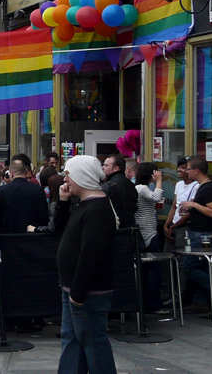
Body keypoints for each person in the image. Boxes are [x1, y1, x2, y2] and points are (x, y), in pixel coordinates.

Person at [54, 155, 117, 374]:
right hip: (74, 287)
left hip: (86, 291)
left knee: (93, 343)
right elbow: (59, 231)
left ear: (81, 176)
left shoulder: (97, 210)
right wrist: (62, 202)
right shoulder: (85, 205)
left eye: (69, 175)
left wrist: (78, 293)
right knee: (72, 340)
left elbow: (91, 254)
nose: (65, 180)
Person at [162, 156, 198, 305]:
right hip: (173, 226)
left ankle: (179, 298)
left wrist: (174, 226)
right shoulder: (178, 185)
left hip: (184, 227)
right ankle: (165, 294)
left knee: (182, 264)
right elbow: (174, 206)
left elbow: (189, 211)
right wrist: (167, 224)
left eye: (184, 167)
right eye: (180, 167)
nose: (180, 170)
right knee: (166, 261)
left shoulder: (196, 186)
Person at [179, 156, 212, 307]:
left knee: (190, 266)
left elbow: (211, 211)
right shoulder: (201, 186)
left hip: (203, 234)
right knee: (203, 267)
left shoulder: (208, 188)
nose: (187, 171)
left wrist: (194, 205)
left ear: (197, 170)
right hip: (198, 231)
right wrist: (190, 208)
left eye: (189, 169)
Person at [133, 163, 164, 311]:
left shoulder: (141, 188)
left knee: (146, 270)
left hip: (146, 229)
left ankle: (146, 301)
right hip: (148, 232)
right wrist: (159, 181)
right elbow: (157, 198)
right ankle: (153, 303)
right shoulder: (141, 188)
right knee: (154, 269)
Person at [0, 160, 48, 234]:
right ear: (26, 173)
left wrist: (0, 229)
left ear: (11, 173)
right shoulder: (37, 189)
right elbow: (43, 214)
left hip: (7, 236)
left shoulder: (2, 190)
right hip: (32, 236)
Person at [101, 154, 138, 228]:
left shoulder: (109, 186)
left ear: (116, 168)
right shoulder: (130, 184)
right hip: (129, 228)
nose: (102, 168)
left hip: (114, 229)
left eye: (106, 165)